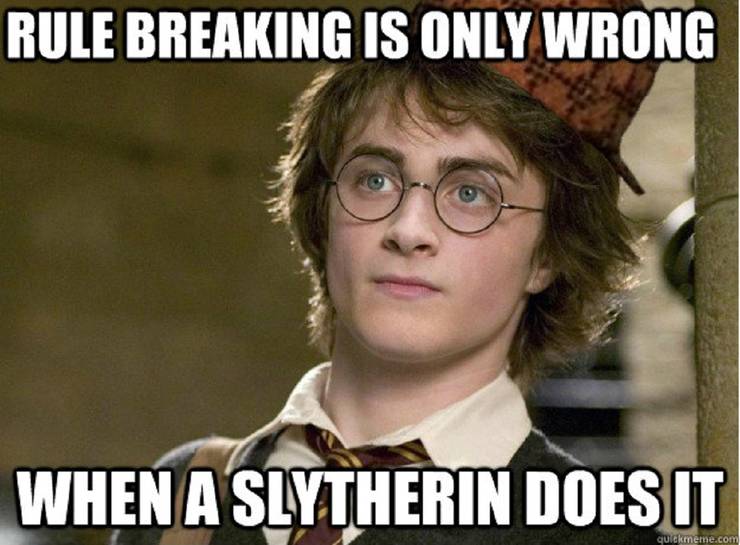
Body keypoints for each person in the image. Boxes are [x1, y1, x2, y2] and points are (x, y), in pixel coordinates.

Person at [112, 13, 663, 545]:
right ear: (324, 213)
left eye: (471, 193)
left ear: (549, 253)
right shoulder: (184, 495)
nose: (407, 229)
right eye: (375, 180)